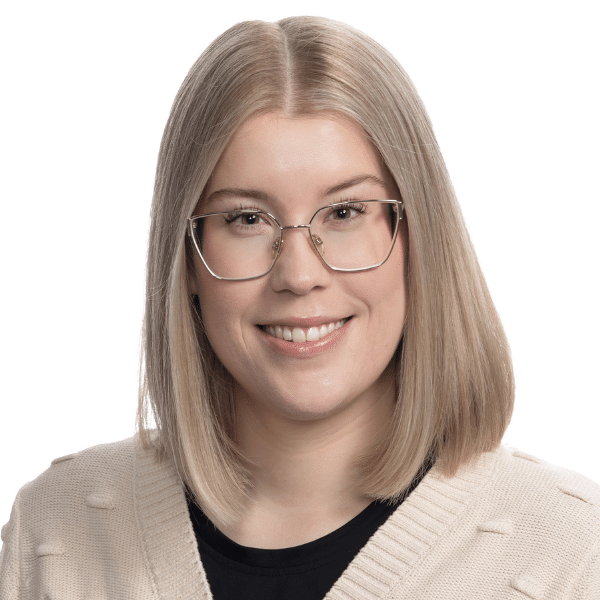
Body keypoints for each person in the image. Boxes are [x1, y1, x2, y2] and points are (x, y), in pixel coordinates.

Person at [1, 16, 598, 600]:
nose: (299, 275)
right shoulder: (55, 530)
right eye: (246, 219)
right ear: (186, 259)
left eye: (344, 213)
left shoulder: (574, 556)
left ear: (419, 239)